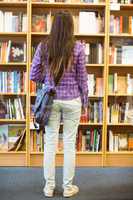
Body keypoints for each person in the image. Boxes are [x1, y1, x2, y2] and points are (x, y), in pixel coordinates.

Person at [30, 11, 88, 198]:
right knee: (70, 144)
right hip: (72, 101)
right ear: (71, 26)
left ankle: (49, 187)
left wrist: (46, 80)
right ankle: (68, 187)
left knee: (50, 143)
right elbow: (82, 78)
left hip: (51, 100)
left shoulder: (44, 46)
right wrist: (85, 100)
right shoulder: (78, 47)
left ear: (54, 26)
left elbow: (33, 74)